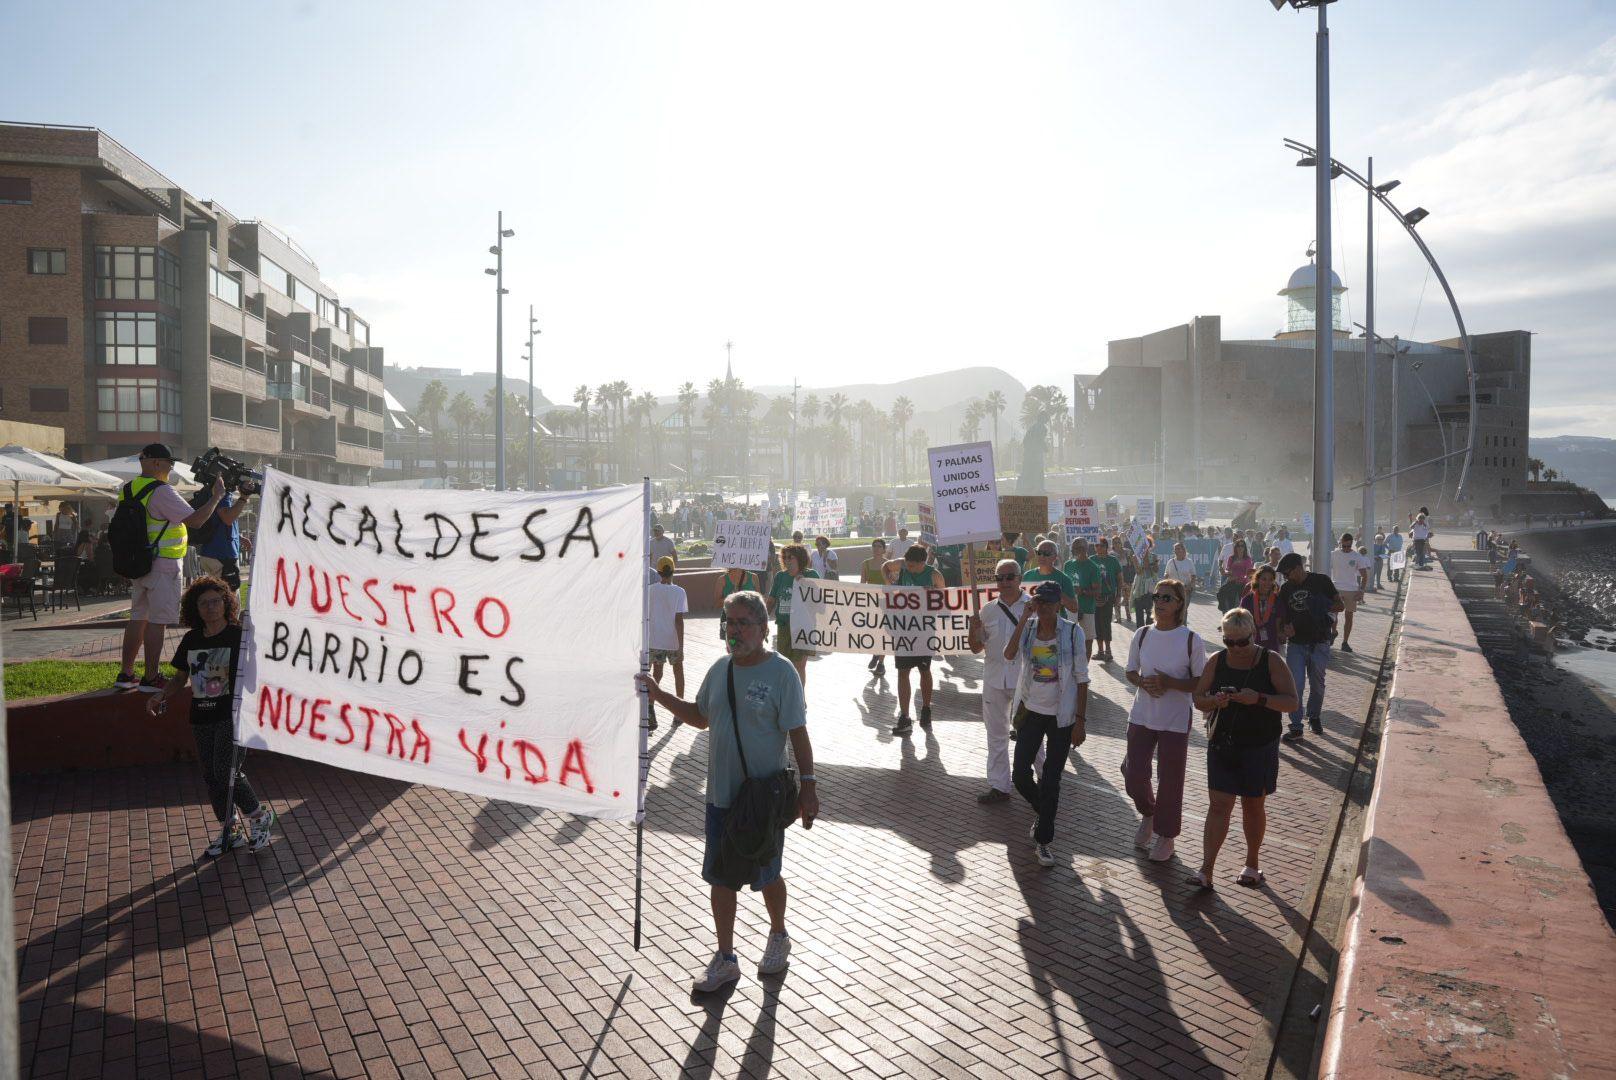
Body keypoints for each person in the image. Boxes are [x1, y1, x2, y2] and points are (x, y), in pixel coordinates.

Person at [635, 590, 818, 992]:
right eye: (728, 623)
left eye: (741, 623)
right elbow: (700, 717)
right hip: (721, 795)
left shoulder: (781, 673)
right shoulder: (720, 670)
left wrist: (808, 786)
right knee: (721, 877)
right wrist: (658, 695)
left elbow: (798, 733)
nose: (733, 631)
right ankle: (726, 957)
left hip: (762, 798)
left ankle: (778, 936)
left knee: (767, 874)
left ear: (762, 628)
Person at [147, 576, 277, 855]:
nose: (210, 607)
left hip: (233, 714)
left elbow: (260, 662)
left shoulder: (238, 635)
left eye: (216, 601)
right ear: (195, 608)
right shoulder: (191, 639)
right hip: (201, 716)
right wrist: (161, 695)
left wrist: (252, 629)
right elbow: (181, 676)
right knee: (211, 776)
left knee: (226, 770)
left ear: (226, 602)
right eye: (203, 603)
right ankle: (230, 830)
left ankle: (259, 816)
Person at [1188, 608, 1299, 889]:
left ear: (1253, 635)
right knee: (1219, 805)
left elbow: (1291, 702)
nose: (1235, 648)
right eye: (1229, 641)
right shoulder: (1217, 660)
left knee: (1252, 804)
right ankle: (1206, 870)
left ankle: (1252, 863)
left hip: (1259, 743)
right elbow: (1198, 699)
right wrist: (1215, 701)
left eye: (1241, 641)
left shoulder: (1270, 661)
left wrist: (1259, 699)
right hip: (1223, 742)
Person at [117, 445, 226, 692]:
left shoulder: (128, 489)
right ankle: (151, 677)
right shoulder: (162, 491)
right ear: (156, 463)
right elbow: (197, 521)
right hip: (163, 565)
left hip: (139, 564)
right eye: (169, 462)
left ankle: (126, 674)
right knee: (158, 621)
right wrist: (216, 496)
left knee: (137, 618)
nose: (171, 467)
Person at [1003, 581, 1090, 867]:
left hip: (1061, 716)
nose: (1044, 609)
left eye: (1049, 604)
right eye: (1039, 603)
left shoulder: (1072, 632)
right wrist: (1024, 619)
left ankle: (1044, 840)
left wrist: (1080, 720)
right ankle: (1045, 811)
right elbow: (1009, 653)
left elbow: (1081, 677)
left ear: (1059, 605)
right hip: (1031, 710)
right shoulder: (1029, 626)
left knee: (1052, 778)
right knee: (1020, 774)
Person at [1123, 578, 1207, 862]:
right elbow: (1131, 672)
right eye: (1157, 597)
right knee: (1133, 772)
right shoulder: (1143, 634)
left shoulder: (1190, 639)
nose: (1160, 603)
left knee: (1170, 780)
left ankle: (1166, 836)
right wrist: (1143, 683)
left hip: (1174, 718)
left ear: (1180, 604)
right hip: (1142, 714)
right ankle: (1149, 812)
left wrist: (1169, 682)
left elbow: (1199, 682)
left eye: (1167, 598)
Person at [968, 558, 1028, 804]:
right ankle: (999, 786)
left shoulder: (1033, 608)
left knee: (1029, 735)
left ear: (1019, 578)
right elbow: (975, 647)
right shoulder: (987, 610)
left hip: (1025, 680)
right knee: (996, 734)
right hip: (993, 678)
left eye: (1009, 577)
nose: (1004, 582)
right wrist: (973, 630)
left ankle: (1044, 782)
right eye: (999, 578)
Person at [1277, 551, 1342, 741]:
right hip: (1296, 644)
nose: (1286, 578)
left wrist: (1321, 605)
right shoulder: (1286, 589)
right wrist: (1283, 630)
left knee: (1317, 684)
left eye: (1288, 574)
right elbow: (1282, 617)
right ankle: (1296, 726)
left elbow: (1340, 606)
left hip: (1319, 642)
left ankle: (1314, 716)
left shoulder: (1321, 581)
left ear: (1298, 568)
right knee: (1295, 685)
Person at [882, 545, 944, 735]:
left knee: (924, 670)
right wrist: (891, 585)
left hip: (924, 630)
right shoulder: (901, 565)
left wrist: (931, 593)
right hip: (903, 629)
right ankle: (905, 716)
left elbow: (945, 599)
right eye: (907, 564)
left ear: (922, 563)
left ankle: (926, 708)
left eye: (913, 566)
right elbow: (885, 566)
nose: (909, 568)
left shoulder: (934, 575)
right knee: (902, 672)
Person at [768, 544, 819, 690]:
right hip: (784, 627)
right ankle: (785, 697)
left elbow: (820, 603)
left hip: (804, 628)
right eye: (784, 557)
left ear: (801, 559)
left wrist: (805, 584)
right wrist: (762, 621)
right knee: (784, 665)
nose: (787, 560)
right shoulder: (780, 576)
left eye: (791, 557)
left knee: (799, 666)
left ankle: (799, 698)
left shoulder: (812, 575)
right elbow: (771, 601)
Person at [647, 557, 688, 732]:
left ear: (658, 572)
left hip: (654, 639)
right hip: (672, 641)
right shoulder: (679, 592)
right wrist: (681, 646)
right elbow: (679, 621)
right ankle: (679, 712)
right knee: (678, 672)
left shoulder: (649, 590)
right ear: (673, 570)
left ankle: (649, 706)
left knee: (656, 674)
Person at [194, 484, 254, 592]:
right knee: (229, 598)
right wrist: (243, 497)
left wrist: (239, 537)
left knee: (216, 595)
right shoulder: (222, 491)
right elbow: (227, 517)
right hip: (222, 555)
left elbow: (218, 523)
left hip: (210, 553)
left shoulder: (211, 491)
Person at [1328, 533, 1370, 652]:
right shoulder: (1333, 554)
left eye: (1349, 546)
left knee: (1349, 616)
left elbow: (1364, 575)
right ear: (1340, 543)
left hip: (1352, 589)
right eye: (1344, 546)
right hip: (1336, 588)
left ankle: (1345, 642)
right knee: (1333, 614)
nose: (1346, 549)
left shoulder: (1357, 556)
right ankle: (1333, 632)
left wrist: (1361, 591)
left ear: (1352, 544)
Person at [860, 538, 890, 679]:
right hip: (871, 604)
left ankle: (881, 663)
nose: (876, 549)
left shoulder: (889, 565)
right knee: (873, 632)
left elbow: (894, 583)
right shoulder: (865, 564)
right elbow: (862, 585)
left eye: (879, 546)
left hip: (886, 604)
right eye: (874, 546)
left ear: (884, 549)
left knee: (885, 633)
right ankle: (875, 653)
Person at [1239, 564, 1285, 652]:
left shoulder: (1277, 600)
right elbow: (1242, 619)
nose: (1267, 583)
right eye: (1264, 579)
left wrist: (1281, 633)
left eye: (1271, 579)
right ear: (1257, 580)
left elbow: (1280, 618)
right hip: (1252, 643)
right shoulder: (1247, 600)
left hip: (1272, 643)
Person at [714, 564, 764, 644]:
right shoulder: (722, 580)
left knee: (750, 649)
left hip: (750, 623)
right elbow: (717, 603)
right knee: (733, 649)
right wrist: (731, 596)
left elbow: (759, 602)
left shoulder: (753, 577)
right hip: (732, 624)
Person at [1091, 538, 1122, 662]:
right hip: (1094, 597)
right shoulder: (1091, 560)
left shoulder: (1113, 560)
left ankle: (1108, 651)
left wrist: (1119, 595)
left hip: (1109, 596)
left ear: (1106, 547)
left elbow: (1120, 579)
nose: (1098, 548)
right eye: (1096, 545)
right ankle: (1100, 651)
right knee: (1096, 624)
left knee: (1106, 623)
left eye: (1101, 545)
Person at [1164, 542, 1198, 606]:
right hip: (1173, 589)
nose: (1177, 550)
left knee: (1184, 609)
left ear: (1183, 550)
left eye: (1178, 549)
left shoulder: (1188, 562)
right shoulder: (1171, 562)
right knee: (1173, 608)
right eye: (1175, 549)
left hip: (1185, 589)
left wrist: (1189, 585)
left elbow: (1193, 575)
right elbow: (1166, 573)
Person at [1131, 550, 1158, 627]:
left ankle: (1149, 633)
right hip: (1139, 588)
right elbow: (1138, 571)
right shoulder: (1135, 556)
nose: (1145, 547)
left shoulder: (1153, 556)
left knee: (1150, 614)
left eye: (1147, 544)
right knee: (1139, 614)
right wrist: (1146, 560)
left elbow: (1156, 570)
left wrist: (1152, 562)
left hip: (1151, 588)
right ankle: (1140, 634)